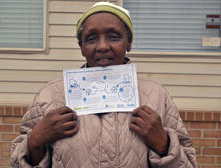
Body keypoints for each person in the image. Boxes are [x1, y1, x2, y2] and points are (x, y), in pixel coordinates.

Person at [10, 2, 197, 168]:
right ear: (81, 47)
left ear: (129, 42)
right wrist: (35, 141)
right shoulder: (50, 96)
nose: (102, 46)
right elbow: (18, 161)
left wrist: (164, 144)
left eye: (114, 36)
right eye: (91, 38)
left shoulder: (156, 96)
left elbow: (189, 163)